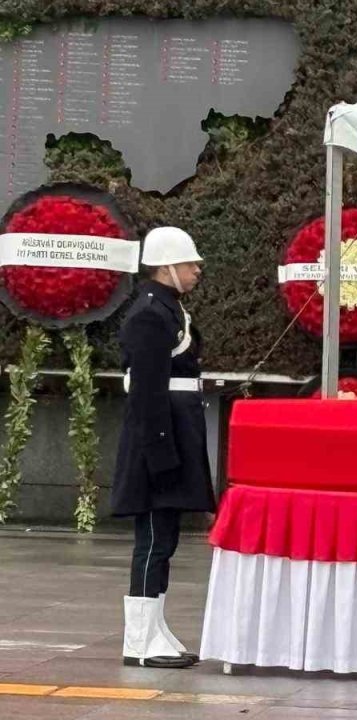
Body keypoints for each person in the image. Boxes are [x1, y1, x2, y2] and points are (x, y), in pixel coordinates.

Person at [112, 227, 214, 668]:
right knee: (152, 540)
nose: (195, 271)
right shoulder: (150, 316)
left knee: (165, 539)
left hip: (175, 433)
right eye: (190, 264)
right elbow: (148, 394)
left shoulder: (169, 310)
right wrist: (161, 457)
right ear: (167, 266)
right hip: (159, 441)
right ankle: (139, 639)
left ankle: (155, 627)